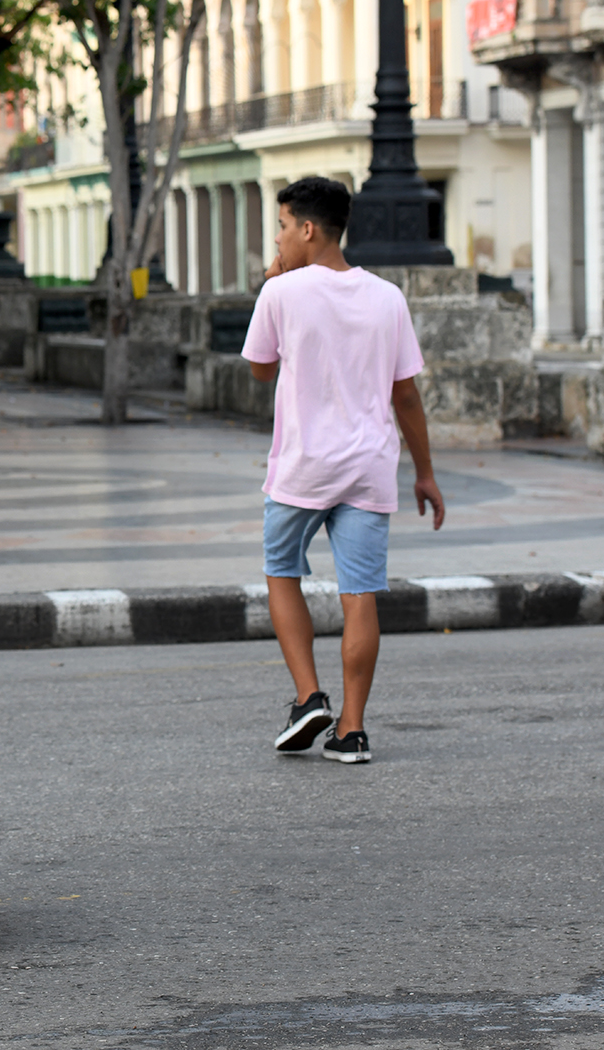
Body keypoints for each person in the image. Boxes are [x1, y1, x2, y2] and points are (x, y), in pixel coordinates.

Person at [241, 176, 446, 766]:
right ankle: (351, 730)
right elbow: (405, 396)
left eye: (281, 226)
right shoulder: (388, 297)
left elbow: (259, 371)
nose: (278, 237)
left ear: (307, 229)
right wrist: (425, 473)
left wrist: (272, 286)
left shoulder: (282, 291)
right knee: (361, 596)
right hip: (370, 468)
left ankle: (309, 697)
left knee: (282, 573)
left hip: (303, 468)